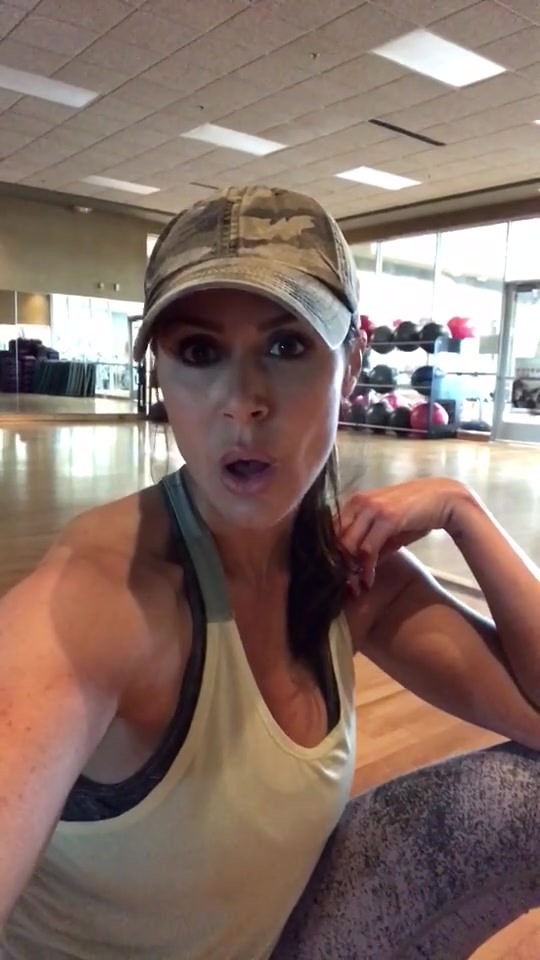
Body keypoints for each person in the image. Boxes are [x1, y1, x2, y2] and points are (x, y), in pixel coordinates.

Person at [1, 185, 540, 960]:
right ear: (161, 373)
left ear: (351, 366)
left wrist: (464, 511)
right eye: (199, 353)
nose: (242, 403)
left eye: (287, 347)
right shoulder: (99, 601)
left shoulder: (348, 571)